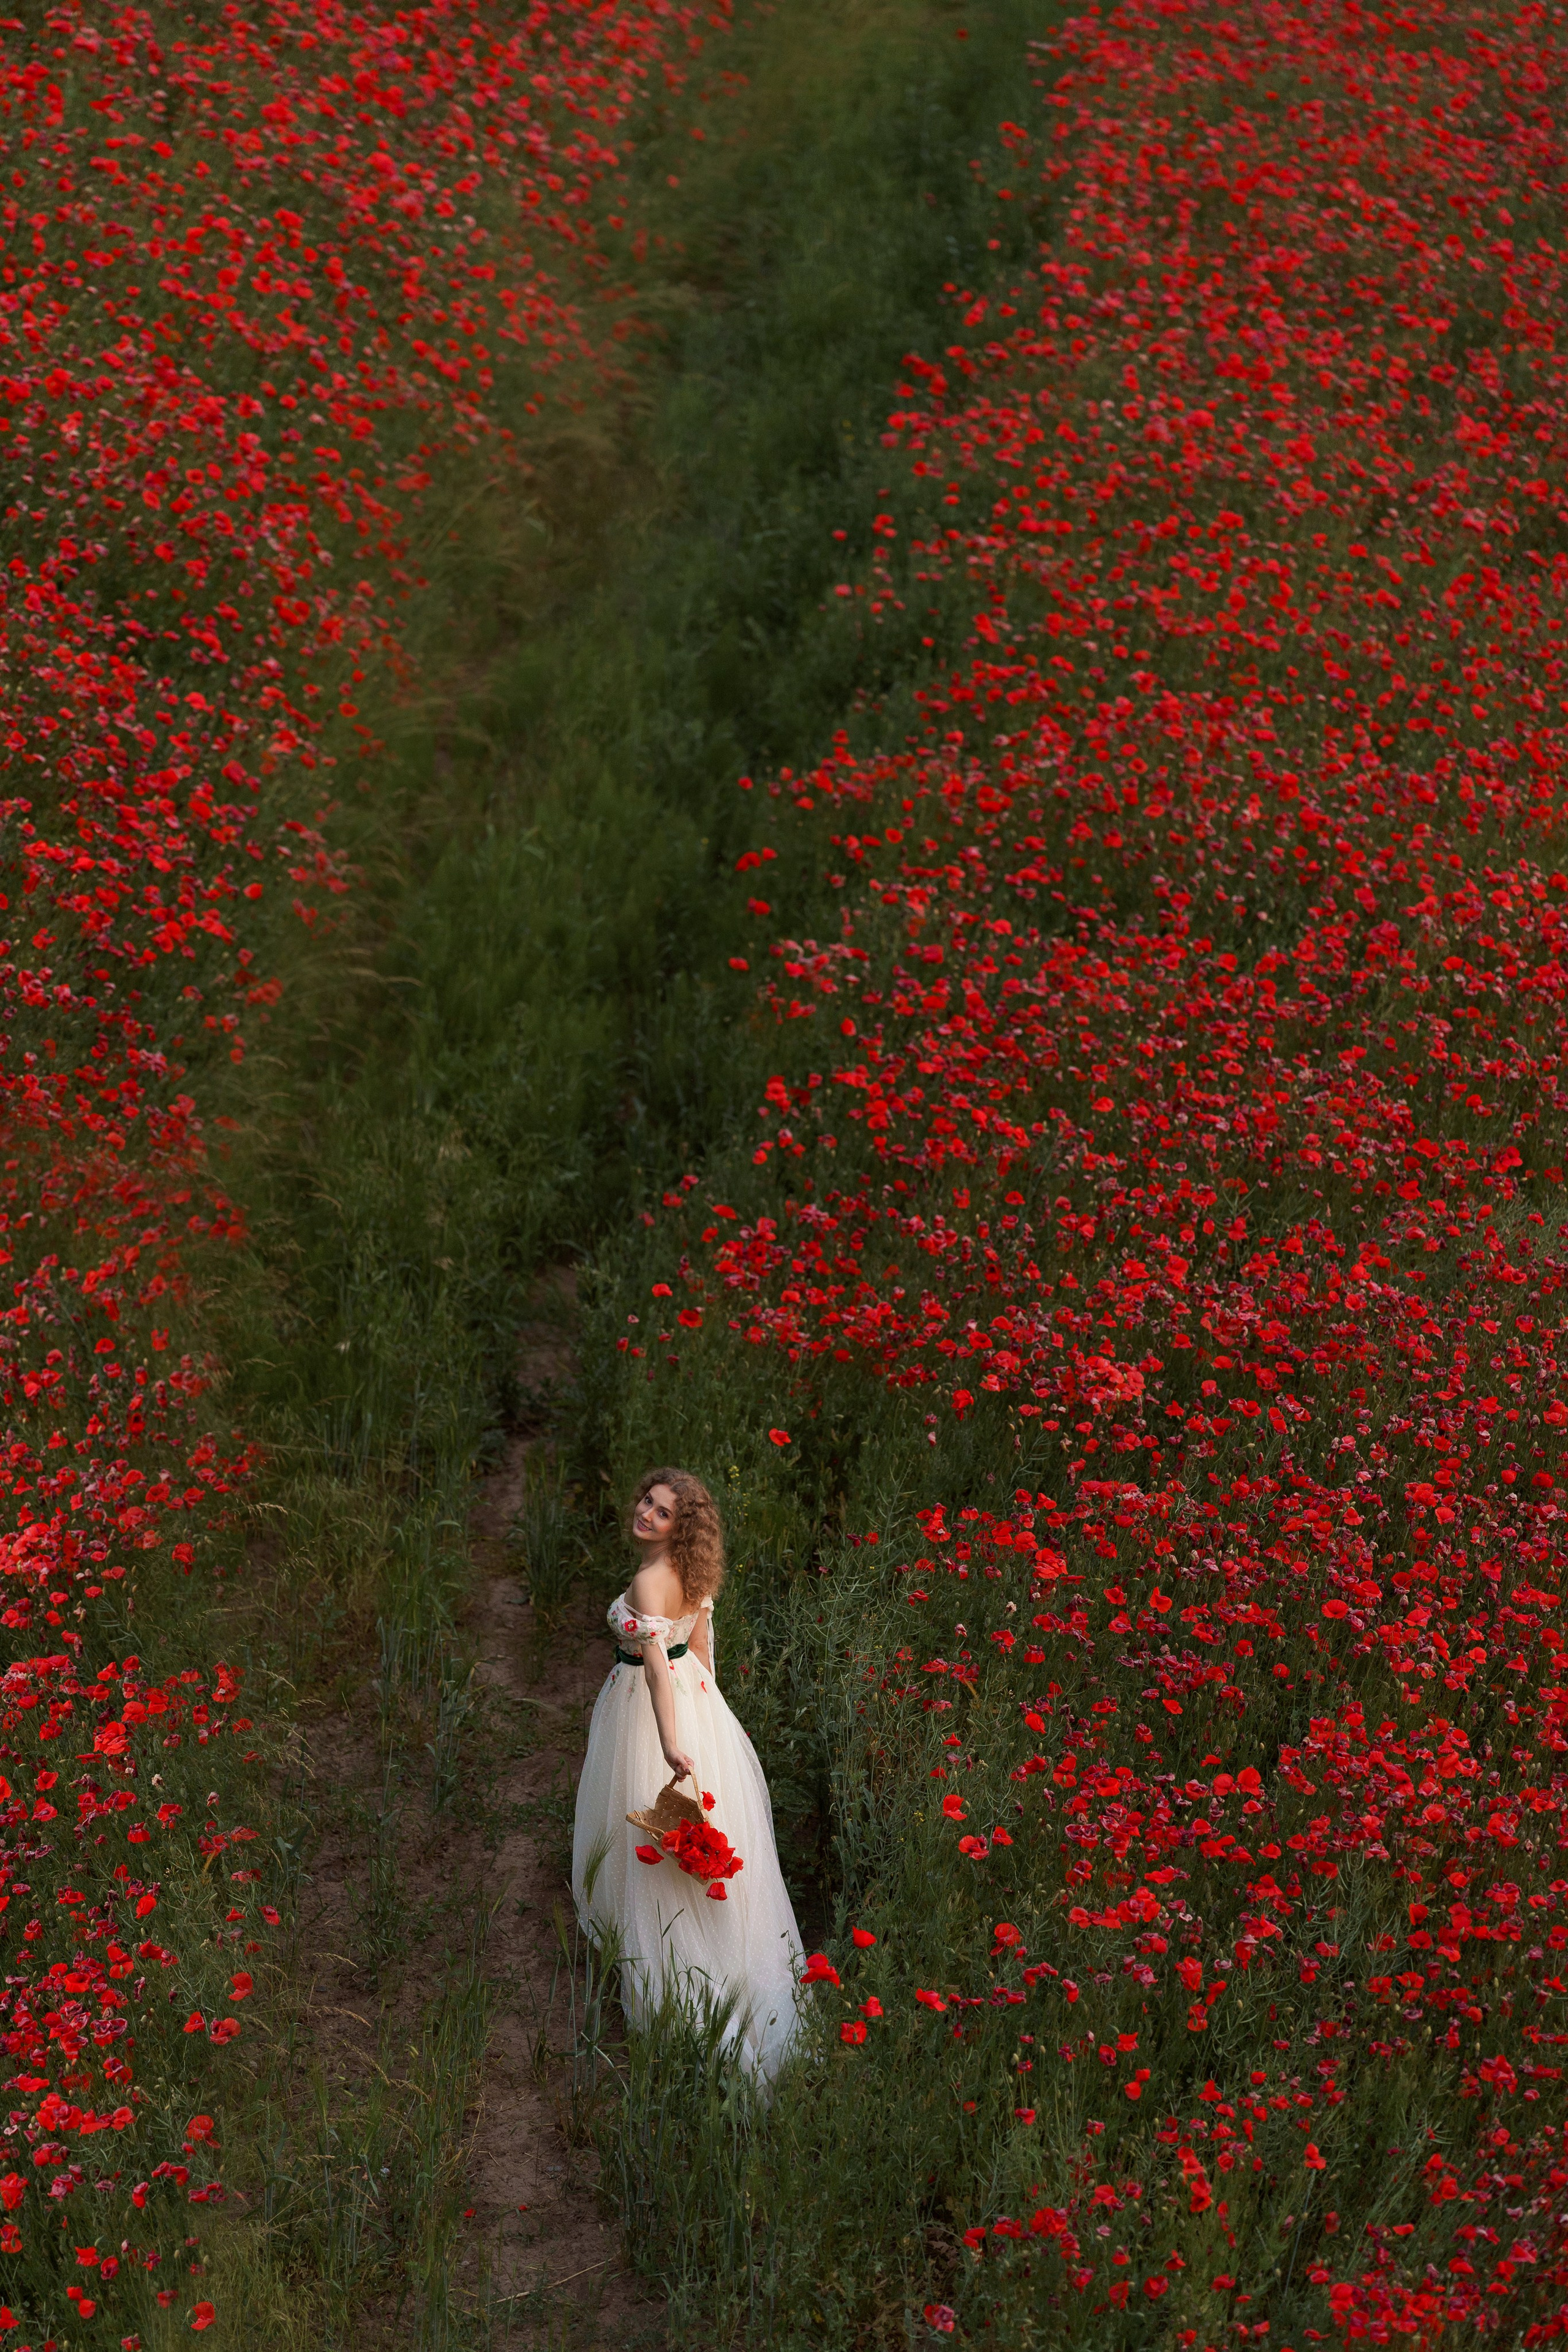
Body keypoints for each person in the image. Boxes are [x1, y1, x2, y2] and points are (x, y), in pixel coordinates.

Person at [570, 1466, 802, 2078]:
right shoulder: (692, 1576)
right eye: (646, 1500)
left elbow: (653, 1668)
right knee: (682, 1843)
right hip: (695, 1699)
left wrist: (672, 1744)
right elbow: (699, 1651)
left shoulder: (650, 1581)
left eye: (662, 1511)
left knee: (647, 1841)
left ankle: (674, 1981)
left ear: (680, 1529)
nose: (645, 1512)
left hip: (652, 1714)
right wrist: (712, 1721)